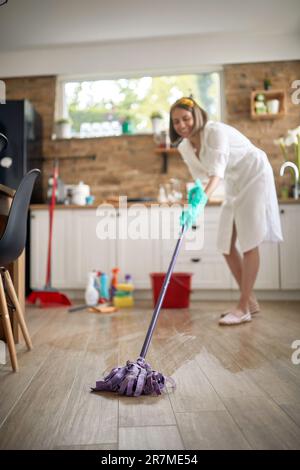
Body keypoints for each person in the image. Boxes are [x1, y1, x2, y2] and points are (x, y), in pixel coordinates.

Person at [169, 97, 283, 325]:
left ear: (197, 116)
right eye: (176, 121)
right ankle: (249, 300)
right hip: (233, 184)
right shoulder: (184, 146)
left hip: (254, 175)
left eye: (186, 118)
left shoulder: (215, 132)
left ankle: (242, 308)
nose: (181, 125)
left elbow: (216, 174)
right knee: (225, 243)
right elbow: (201, 179)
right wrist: (193, 202)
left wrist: (200, 203)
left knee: (250, 241)